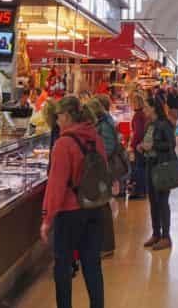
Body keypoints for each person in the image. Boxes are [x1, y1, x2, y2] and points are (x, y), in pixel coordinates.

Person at [41, 95, 106, 308]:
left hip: (69, 212)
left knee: (63, 267)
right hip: (94, 207)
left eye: (58, 116)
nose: (57, 121)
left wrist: (47, 218)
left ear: (68, 116)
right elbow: (103, 169)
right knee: (92, 265)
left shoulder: (63, 143)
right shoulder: (95, 137)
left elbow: (56, 185)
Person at [140, 99, 177, 250]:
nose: (144, 110)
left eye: (147, 107)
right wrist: (142, 147)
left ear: (154, 109)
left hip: (161, 166)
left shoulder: (164, 124)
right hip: (150, 164)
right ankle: (156, 233)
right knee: (153, 201)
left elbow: (170, 144)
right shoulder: (149, 125)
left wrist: (152, 145)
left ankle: (166, 236)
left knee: (162, 201)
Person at [87, 98, 119, 258]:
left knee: (103, 207)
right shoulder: (104, 122)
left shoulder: (104, 125)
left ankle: (106, 246)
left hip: (103, 170)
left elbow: (108, 147)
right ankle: (103, 244)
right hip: (103, 169)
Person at [129, 94, 149, 199]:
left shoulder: (137, 116)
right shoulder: (143, 114)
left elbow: (138, 132)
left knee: (139, 167)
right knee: (141, 167)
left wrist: (132, 145)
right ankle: (143, 190)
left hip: (138, 145)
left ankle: (139, 191)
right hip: (142, 144)